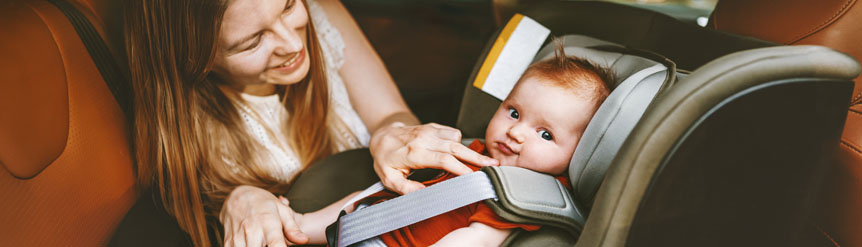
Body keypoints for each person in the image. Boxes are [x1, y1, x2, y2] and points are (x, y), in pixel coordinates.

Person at [123, 0, 498, 246]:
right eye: (252, 42)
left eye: (287, 6)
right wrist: (237, 199)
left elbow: (390, 113)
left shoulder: (320, 15)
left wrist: (390, 132)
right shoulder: (192, 127)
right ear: (195, 59)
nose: (291, 42)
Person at [289, 44, 614, 246]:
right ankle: (302, 225)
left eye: (545, 134)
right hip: (369, 225)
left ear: (580, 151)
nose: (516, 133)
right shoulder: (472, 150)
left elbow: (478, 240)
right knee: (372, 193)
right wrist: (313, 222)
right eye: (514, 112)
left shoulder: (527, 193)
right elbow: (380, 193)